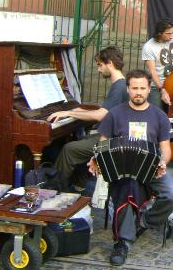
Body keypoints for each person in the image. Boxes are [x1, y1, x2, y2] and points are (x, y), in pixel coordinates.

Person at [90, 69, 173, 266]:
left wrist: (162, 163)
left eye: (142, 88)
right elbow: (103, 143)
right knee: (125, 187)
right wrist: (96, 159)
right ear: (128, 89)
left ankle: (144, 222)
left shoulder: (159, 116)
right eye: (134, 88)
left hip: (151, 168)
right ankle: (123, 243)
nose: (138, 92)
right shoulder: (115, 114)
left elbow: (166, 149)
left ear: (149, 90)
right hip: (122, 169)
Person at [48, 46, 128, 190]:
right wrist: (82, 109)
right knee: (80, 141)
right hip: (114, 135)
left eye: (100, 65)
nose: (98, 69)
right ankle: (79, 185)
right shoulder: (121, 84)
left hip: (114, 140)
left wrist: (69, 113)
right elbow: (105, 111)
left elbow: (100, 115)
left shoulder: (119, 86)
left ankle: (54, 189)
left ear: (109, 63)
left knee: (69, 149)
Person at [142, 18, 173, 111]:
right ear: (159, 33)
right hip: (156, 87)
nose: (171, 36)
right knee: (157, 115)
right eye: (168, 33)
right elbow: (153, 72)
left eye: (172, 33)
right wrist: (162, 90)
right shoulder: (149, 47)